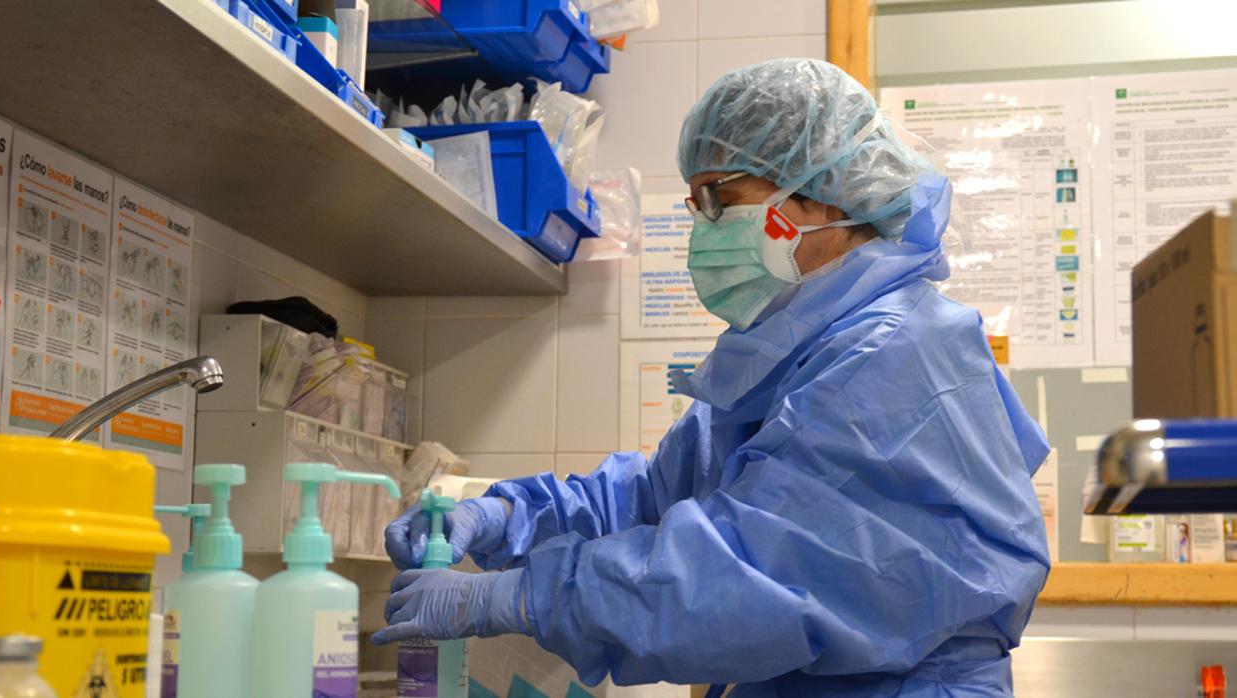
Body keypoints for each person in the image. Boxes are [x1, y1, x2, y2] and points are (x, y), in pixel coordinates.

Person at [374, 59, 1050, 697]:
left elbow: (747, 572)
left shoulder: (894, 356)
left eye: (719, 197)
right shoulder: (797, 350)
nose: (703, 225)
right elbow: (659, 499)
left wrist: (515, 596)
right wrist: (507, 517)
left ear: (817, 194)